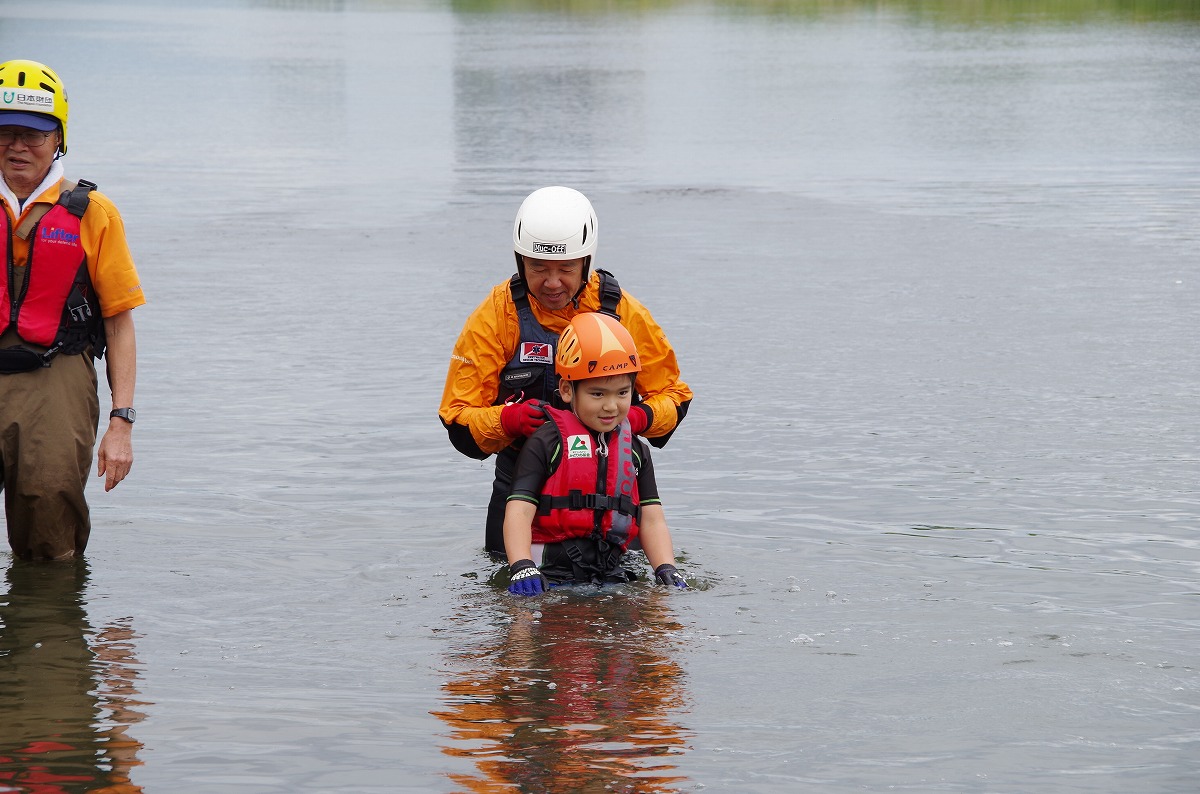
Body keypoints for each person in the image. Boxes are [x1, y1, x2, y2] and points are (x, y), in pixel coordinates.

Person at [439, 186, 692, 558]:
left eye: (566, 269)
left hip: (613, 491)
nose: (552, 283)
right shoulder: (495, 315)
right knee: (511, 601)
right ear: (520, 260)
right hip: (521, 494)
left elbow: (675, 398)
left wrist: (638, 417)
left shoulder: (623, 313)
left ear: (586, 262)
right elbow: (458, 423)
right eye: (538, 268)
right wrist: (507, 420)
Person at [0, 59, 145, 561]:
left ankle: (51, 633)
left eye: (33, 134)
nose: (18, 146)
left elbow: (119, 322)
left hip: (54, 380)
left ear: (59, 137)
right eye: (5, 132)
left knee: (49, 529)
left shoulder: (94, 214)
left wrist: (120, 423)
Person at [502, 312, 688, 595]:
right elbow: (519, 510)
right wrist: (522, 565)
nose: (611, 407)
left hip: (611, 574)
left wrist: (666, 567)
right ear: (567, 390)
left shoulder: (636, 450)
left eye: (623, 393)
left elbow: (652, 518)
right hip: (548, 577)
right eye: (598, 394)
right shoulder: (546, 442)